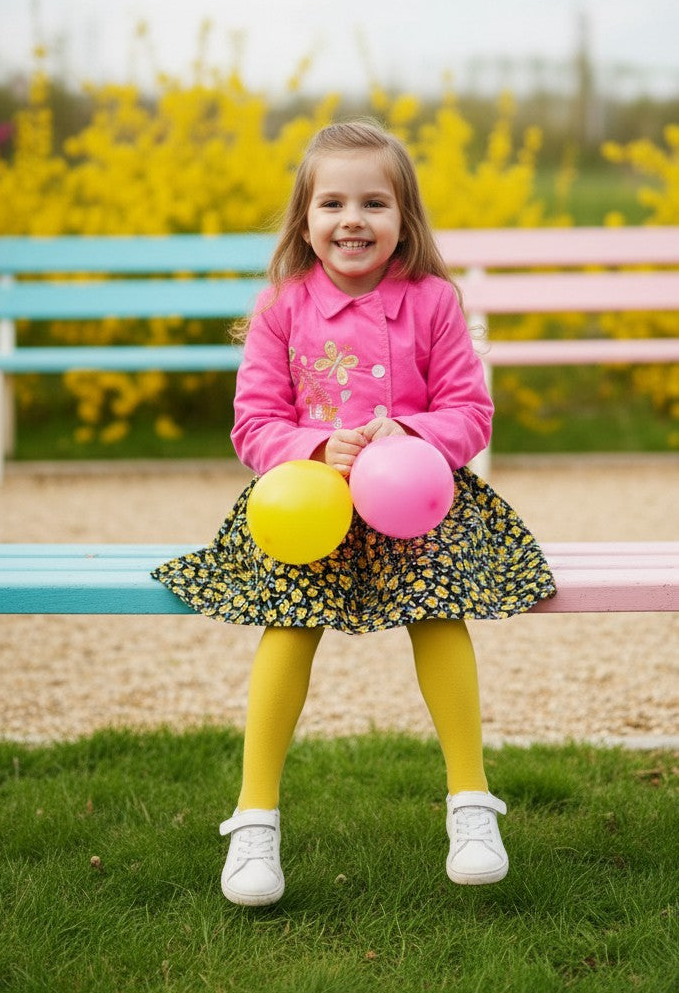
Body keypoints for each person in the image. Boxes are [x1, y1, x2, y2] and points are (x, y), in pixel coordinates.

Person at [152, 120, 555, 907]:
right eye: (331, 202)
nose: (352, 220)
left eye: (374, 202)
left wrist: (406, 432)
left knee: (438, 610)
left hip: (417, 507)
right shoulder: (281, 308)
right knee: (289, 619)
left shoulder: (433, 302)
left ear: (404, 218)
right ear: (304, 219)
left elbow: (471, 413)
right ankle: (255, 817)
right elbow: (252, 424)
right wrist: (314, 448)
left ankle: (471, 804)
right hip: (309, 506)